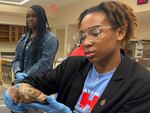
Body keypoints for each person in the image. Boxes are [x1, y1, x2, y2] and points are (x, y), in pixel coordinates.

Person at [4, 1, 150, 113]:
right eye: (82, 35)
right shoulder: (73, 65)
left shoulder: (141, 83)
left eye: (95, 32)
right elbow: (37, 81)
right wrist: (16, 90)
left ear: (120, 32)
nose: (86, 42)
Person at [12, 5, 58, 82]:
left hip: (39, 83)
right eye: (28, 16)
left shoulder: (50, 39)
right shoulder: (24, 38)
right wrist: (17, 72)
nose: (30, 19)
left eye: (34, 16)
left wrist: (27, 75)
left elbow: (44, 64)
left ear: (41, 18)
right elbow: (16, 59)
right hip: (23, 82)